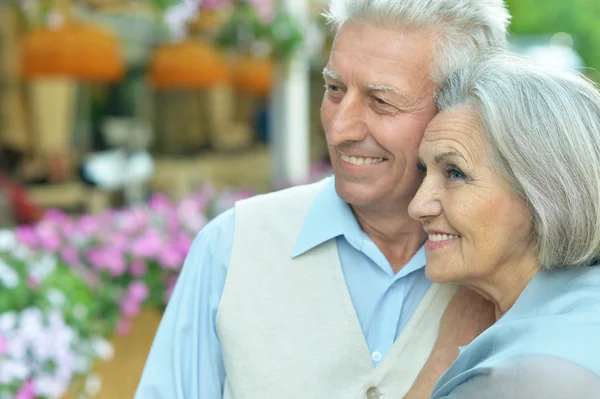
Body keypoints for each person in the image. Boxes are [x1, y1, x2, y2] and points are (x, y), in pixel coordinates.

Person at [135, 1, 510, 398]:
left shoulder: (512, 266)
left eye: (381, 101)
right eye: (334, 89)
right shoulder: (230, 247)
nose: (339, 130)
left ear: (463, 112)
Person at [408, 51, 600, 398]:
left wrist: (442, 356)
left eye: (455, 173)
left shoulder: (524, 374)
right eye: (425, 171)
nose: (417, 206)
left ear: (545, 194)